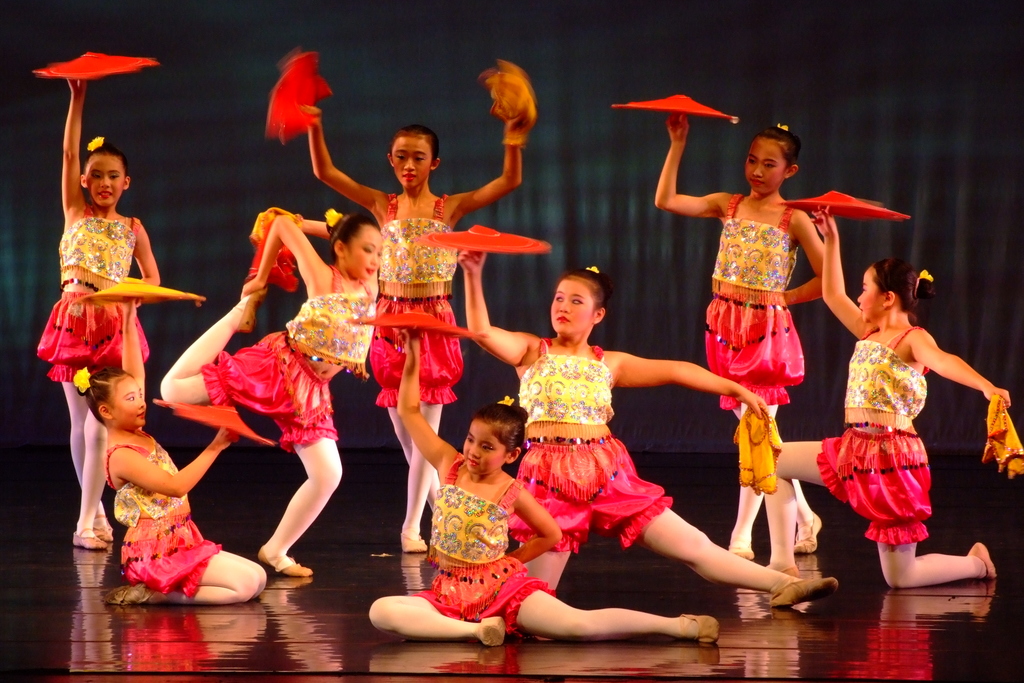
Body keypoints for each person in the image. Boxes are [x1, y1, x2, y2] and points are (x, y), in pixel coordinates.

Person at [459, 253, 839, 607]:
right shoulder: (531, 352)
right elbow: (481, 331)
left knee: (694, 545)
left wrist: (735, 389)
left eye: (576, 301)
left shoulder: (610, 363)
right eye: (559, 298)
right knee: (531, 599)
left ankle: (782, 585)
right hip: (549, 481)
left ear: (597, 314)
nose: (563, 307)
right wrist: (472, 275)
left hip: (608, 476)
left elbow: (677, 370)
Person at [300, 69, 530, 553]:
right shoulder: (381, 205)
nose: (408, 165)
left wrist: (513, 136)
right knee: (412, 443)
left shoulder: (450, 208)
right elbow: (326, 173)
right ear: (390, 159)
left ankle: (411, 529)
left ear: (434, 163)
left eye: (418, 157)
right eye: (401, 156)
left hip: (433, 324)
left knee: (426, 433)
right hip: (391, 323)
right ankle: (448, 511)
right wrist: (315, 125)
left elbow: (510, 180)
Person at [368, 331, 720, 646]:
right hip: (448, 592)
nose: (474, 451)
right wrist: (413, 354)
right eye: (471, 440)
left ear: (511, 455)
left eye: (487, 447)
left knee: (578, 626)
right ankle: (475, 631)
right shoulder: (450, 465)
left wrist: (513, 561)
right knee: (381, 611)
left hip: (500, 589)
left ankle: (678, 626)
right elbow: (409, 411)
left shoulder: (512, 490)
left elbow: (551, 533)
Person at [763, 211, 1007, 588]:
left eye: (865, 289)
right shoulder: (867, 330)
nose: (859, 297)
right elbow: (832, 294)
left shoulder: (913, 339)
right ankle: (782, 566)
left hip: (892, 458)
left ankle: (976, 564)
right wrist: (832, 239)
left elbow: (943, 361)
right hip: (853, 448)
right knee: (773, 461)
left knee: (901, 578)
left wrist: (984, 385)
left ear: (888, 297)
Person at [160, 211, 381, 577]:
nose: (375, 260)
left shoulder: (371, 285)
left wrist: (328, 227)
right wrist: (260, 278)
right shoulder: (323, 276)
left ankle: (276, 549)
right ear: (341, 249)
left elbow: (347, 233)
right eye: (367, 250)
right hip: (278, 367)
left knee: (328, 474)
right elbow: (280, 225)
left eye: (379, 252)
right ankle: (237, 314)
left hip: (310, 392)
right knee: (172, 390)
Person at [654, 115, 824, 560]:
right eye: (751, 160)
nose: (757, 171)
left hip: (764, 333)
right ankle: (806, 516)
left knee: (756, 431)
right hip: (724, 326)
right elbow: (666, 200)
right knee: (761, 434)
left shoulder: (794, 219)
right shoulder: (727, 204)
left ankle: (740, 537)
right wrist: (677, 143)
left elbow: (829, 278)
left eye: (769, 164)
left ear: (790, 171)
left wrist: (784, 298)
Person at [37, 79, 161, 551]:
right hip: (74, 324)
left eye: (114, 176)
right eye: (97, 175)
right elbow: (70, 152)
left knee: (98, 424)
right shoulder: (75, 212)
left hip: (113, 329)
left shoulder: (133, 228)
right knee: (80, 425)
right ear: (84, 181)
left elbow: (152, 277)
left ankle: (85, 522)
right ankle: (94, 516)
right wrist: (77, 98)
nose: (105, 183)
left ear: (126, 182)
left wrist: (133, 298)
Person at [81, 301, 265, 605]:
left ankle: (165, 588)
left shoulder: (133, 432)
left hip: (180, 539)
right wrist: (216, 446)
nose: (141, 402)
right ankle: (155, 593)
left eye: (139, 395)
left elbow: (134, 371)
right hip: (155, 554)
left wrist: (129, 317)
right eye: (131, 398)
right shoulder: (121, 454)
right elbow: (176, 486)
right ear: (106, 411)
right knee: (244, 587)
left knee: (258, 577)